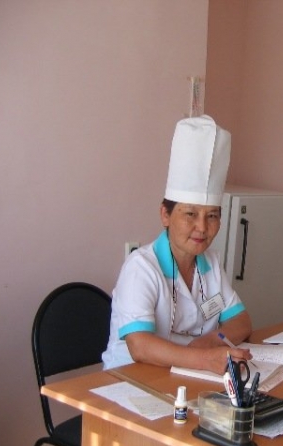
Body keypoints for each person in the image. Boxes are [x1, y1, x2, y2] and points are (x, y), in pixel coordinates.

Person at [102, 115, 252, 374]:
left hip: (187, 376)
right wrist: (205, 359)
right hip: (131, 379)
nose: (202, 227)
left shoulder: (211, 263)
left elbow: (241, 322)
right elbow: (140, 346)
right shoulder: (141, 267)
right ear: (165, 215)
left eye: (212, 216)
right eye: (190, 214)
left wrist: (207, 343)